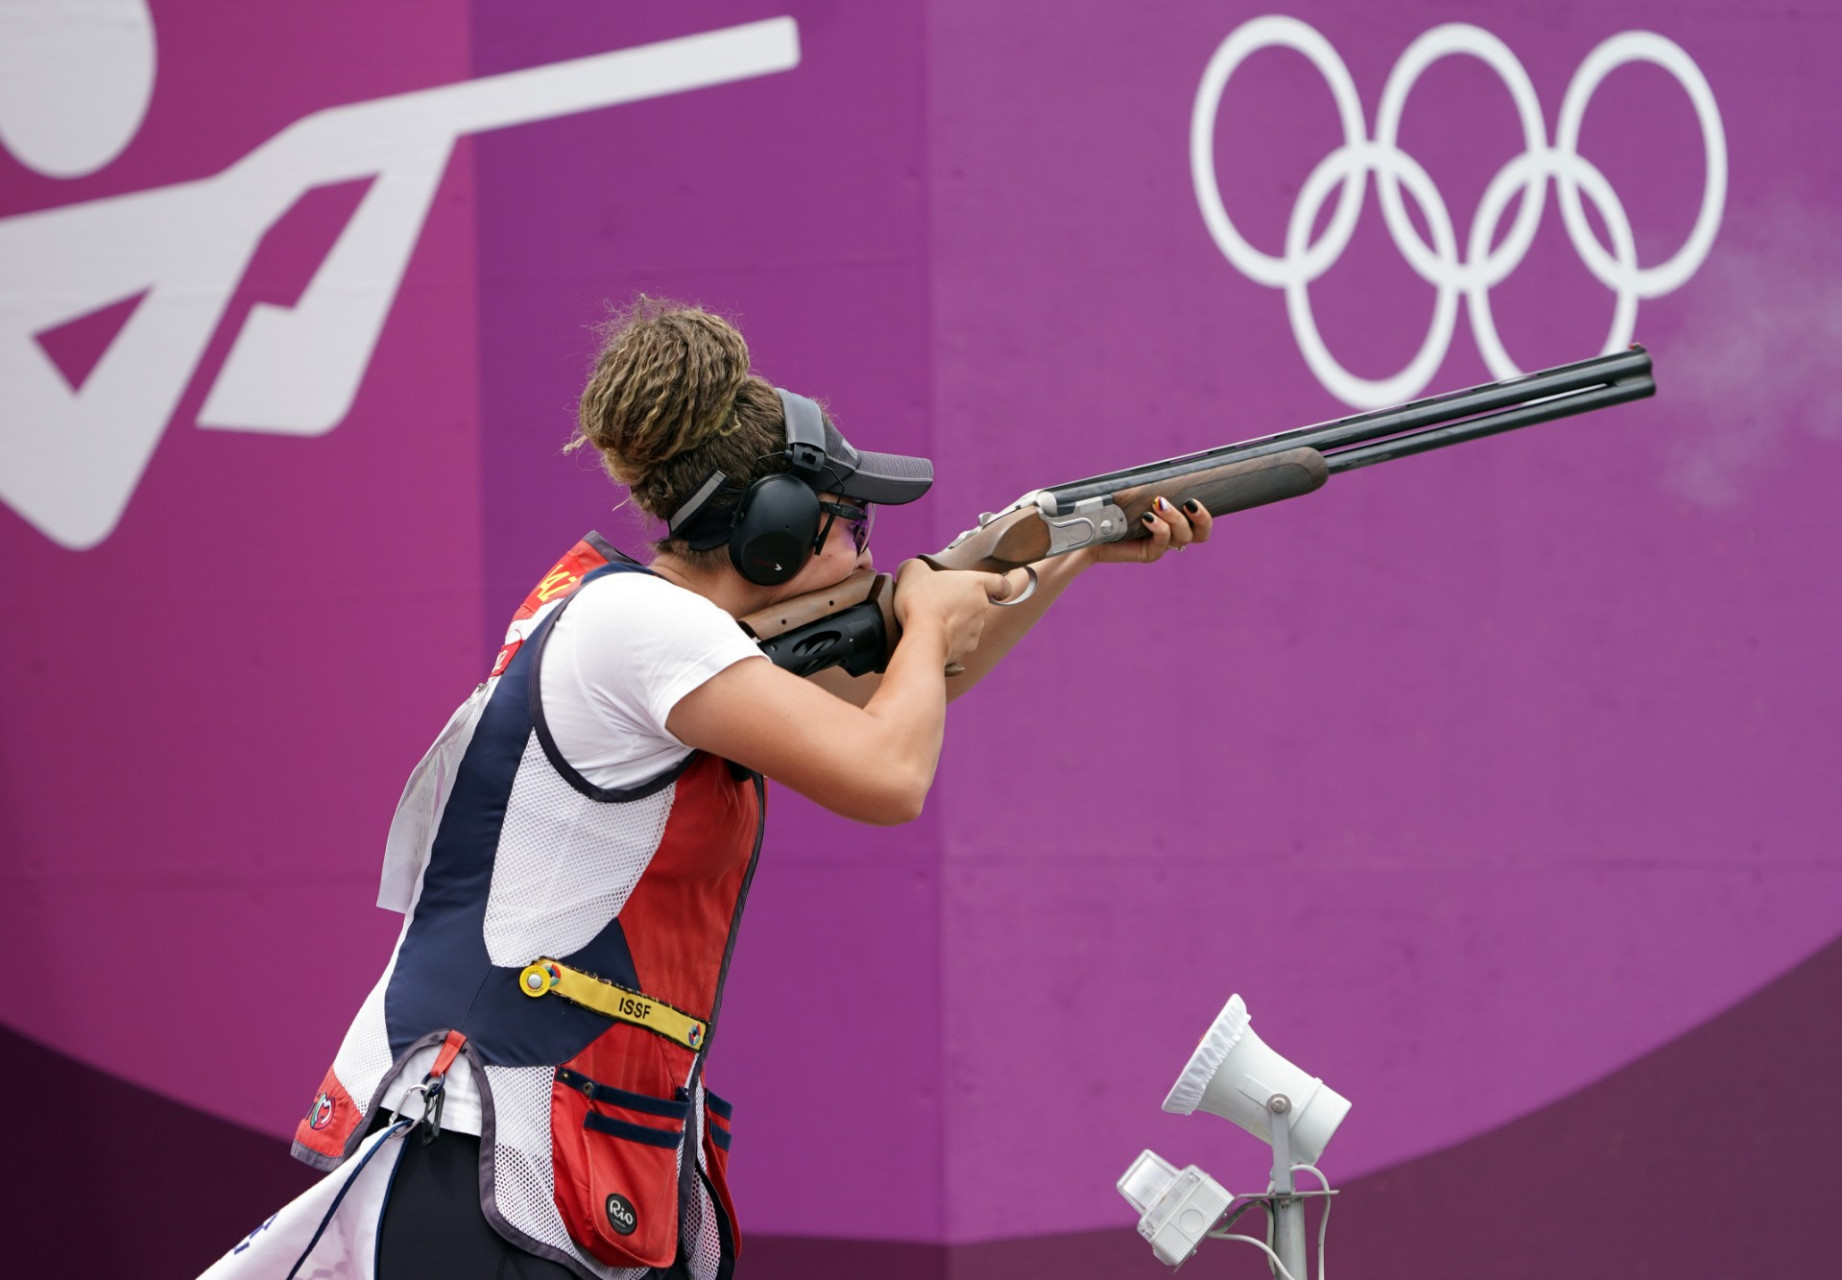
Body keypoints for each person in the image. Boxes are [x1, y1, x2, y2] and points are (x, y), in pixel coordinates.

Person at [203, 299, 1211, 1280]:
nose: (867, 544)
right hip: (483, 1137)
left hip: (521, 1144)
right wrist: (936, 611)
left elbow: (917, 687)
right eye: (847, 519)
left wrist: (1072, 553)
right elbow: (890, 770)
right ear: (770, 533)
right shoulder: (644, 628)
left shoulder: (652, 626)